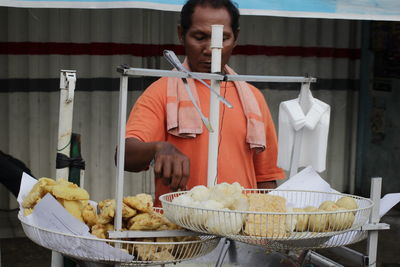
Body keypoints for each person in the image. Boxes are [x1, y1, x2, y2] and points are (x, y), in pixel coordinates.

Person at [124, 0, 285, 205]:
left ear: (236, 38)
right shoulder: (161, 92)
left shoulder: (253, 99)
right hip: (180, 232)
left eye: (223, 39)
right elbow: (125, 155)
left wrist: (265, 227)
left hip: (240, 231)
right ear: (181, 34)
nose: (211, 49)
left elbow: (265, 179)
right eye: (199, 37)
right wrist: (158, 148)